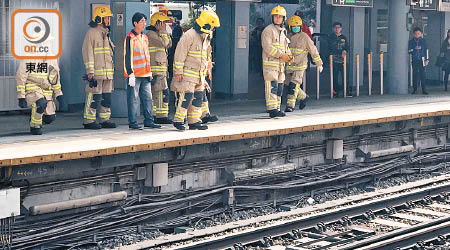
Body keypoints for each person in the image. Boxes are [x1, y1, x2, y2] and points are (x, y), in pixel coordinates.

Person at [171, 10, 220, 131]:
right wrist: (178, 71)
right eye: (212, 26)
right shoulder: (189, 35)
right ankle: (178, 120)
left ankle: (194, 121)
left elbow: (207, 54)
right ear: (206, 24)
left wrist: (208, 67)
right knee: (186, 97)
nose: (213, 28)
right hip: (188, 73)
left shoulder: (206, 36)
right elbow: (180, 54)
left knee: (198, 97)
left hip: (199, 74)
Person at [124, 12, 161, 129]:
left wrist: (149, 71)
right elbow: (127, 56)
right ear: (135, 23)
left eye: (145, 21)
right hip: (134, 75)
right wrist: (130, 74)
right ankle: (133, 122)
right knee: (133, 100)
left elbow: (147, 56)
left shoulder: (144, 37)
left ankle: (149, 120)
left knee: (147, 99)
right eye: (142, 21)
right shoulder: (130, 37)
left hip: (145, 74)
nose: (144, 23)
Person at [81, 6, 116, 129]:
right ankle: (89, 120)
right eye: (107, 17)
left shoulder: (106, 33)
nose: (109, 20)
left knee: (106, 98)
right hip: (96, 72)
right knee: (94, 97)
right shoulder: (92, 33)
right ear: (99, 18)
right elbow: (88, 52)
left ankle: (105, 119)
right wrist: (90, 71)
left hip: (107, 73)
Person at [285, 15, 323, 112]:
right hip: (289, 65)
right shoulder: (286, 36)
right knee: (288, 84)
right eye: (294, 26)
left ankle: (290, 105)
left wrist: (319, 63)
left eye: (297, 26)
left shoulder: (304, 37)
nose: (296, 28)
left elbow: (313, 50)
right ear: (290, 27)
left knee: (294, 85)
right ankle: (304, 97)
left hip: (300, 66)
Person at [16, 59, 64, 135]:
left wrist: (58, 93)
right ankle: (35, 126)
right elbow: (21, 76)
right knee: (40, 103)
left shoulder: (52, 58)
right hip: (32, 88)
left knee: (50, 118)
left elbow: (55, 78)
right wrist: (21, 96)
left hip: (46, 91)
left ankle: (34, 119)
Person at [261, 5, 292, 118]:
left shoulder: (283, 32)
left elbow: (285, 47)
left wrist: (289, 56)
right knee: (272, 87)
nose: (278, 19)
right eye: (276, 16)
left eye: (280, 17)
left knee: (279, 88)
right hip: (270, 65)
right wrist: (281, 55)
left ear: (283, 19)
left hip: (280, 66)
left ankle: (277, 108)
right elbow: (267, 47)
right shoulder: (268, 30)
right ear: (272, 17)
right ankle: (272, 109)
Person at [146, 12, 173, 124]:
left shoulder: (159, 34)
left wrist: (163, 32)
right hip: (156, 70)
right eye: (163, 23)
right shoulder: (151, 35)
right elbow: (164, 43)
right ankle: (159, 116)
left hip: (161, 69)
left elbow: (169, 43)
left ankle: (161, 115)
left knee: (162, 93)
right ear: (157, 23)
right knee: (159, 93)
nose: (165, 26)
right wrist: (162, 32)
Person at [328, 22, 350, 97]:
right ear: (333, 28)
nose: (337, 29)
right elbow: (330, 48)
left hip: (343, 61)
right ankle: (335, 92)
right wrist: (340, 52)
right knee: (335, 77)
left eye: (338, 27)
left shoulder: (343, 37)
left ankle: (347, 91)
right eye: (335, 27)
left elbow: (347, 46)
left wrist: (345, 51)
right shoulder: (331, 37)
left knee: (345, 76)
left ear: (341, 28)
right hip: (334, 60)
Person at [408, 27, 429, 95]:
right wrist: (414, 49)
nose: (417, 35)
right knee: (415, 74)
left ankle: (424, 89)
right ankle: (415, 89)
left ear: (421, 34)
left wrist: (427, 59)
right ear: (414, 34)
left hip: (422, 59)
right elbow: (409, 51)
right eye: (416, 34)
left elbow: (426, 50)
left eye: (418, 33)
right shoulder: (411, 42)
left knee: (423, 74)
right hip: (414, 60)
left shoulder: (423, 41)